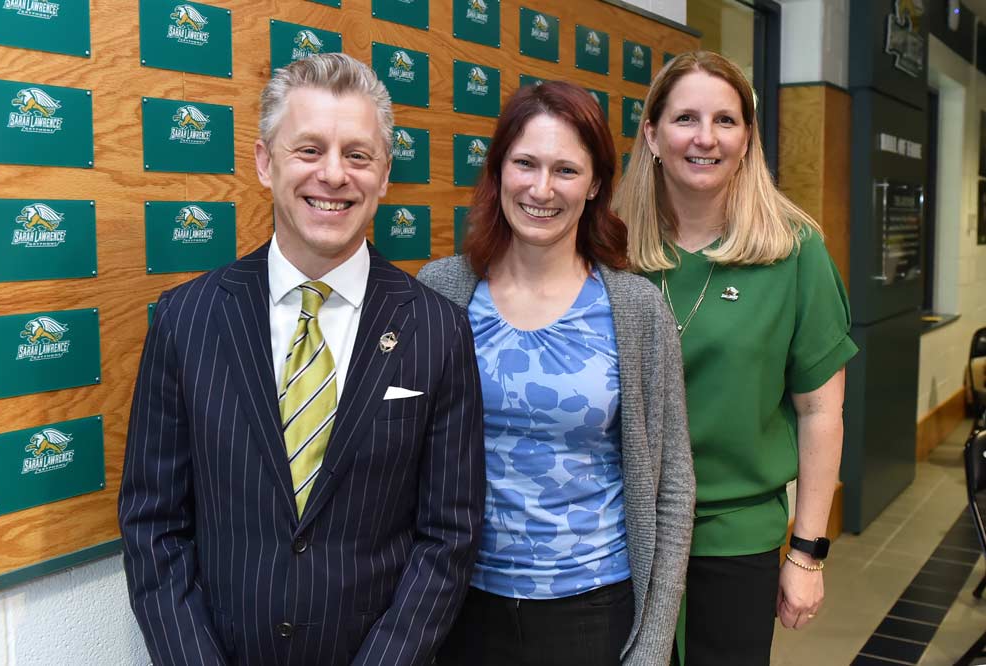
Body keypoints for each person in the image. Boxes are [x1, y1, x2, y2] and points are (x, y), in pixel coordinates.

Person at [118, 53, 485, 666]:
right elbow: (153, 524)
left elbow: (449, 537)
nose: (334, 175)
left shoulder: (436, 328)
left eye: (358, 155)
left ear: (385, 174)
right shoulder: (188, 320)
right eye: (309, 150)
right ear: (266, 161)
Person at [418, 81, 695, 666]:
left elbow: (672, 489)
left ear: (595, 183)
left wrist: (651, 645)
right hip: (462, 609)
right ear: (499, 172)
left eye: (566, 169)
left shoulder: (637, 310)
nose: (542, 189)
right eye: (525, 164)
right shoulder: (441, 291)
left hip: (594, 611)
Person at [613, 51, 859, 665]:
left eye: (725, 120)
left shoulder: (793, 251)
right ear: (651, 133)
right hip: (619, 535)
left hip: (733, 541)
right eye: (685, 118)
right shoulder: (608, 246)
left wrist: (807, 552)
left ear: (748, 138)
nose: (705, 138)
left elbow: (821, 412)